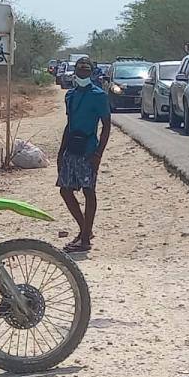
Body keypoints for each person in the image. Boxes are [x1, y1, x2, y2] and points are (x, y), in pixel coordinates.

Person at [58, 56, 111, 253]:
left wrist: (98, 154)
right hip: (72, 149)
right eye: (80, 68)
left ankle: (85, 239)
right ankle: (85, 230)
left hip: (89, 150)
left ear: (91, 72)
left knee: (89, 191)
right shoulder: (70, 95)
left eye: (86, 69)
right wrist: (61, 151)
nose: (82, 72)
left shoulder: (99, 95)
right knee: (65, 190)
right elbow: (69, 124)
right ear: (75, 71)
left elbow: (106, 126)